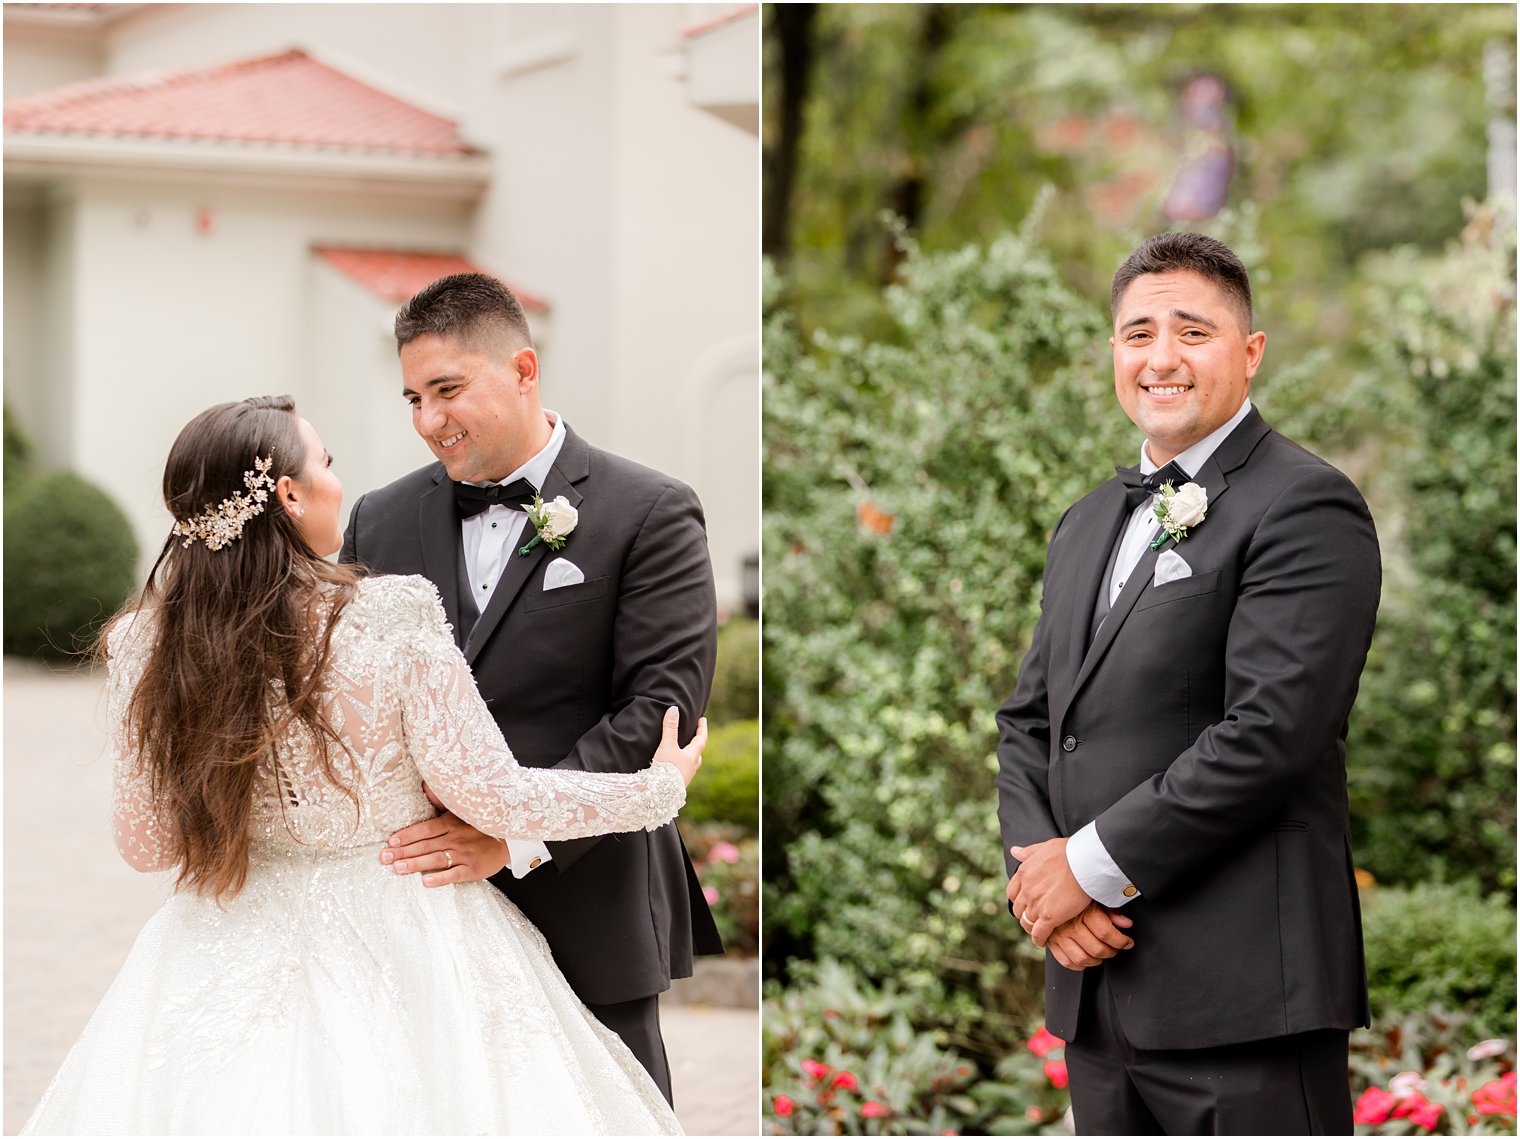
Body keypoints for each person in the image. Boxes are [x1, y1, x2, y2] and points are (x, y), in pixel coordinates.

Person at [23, 396, 705, 1135]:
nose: (336, 482)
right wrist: (656, 790)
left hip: (226, 939)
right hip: (404, 931)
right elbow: (501, 797)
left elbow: (145, 845)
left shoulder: (144, 643)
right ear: (288, 492)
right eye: (326, 462)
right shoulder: (390, 615)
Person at [996, 232, 1381, 1134]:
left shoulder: (1305, 504)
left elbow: (1273, 731)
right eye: (1137, 334)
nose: (1160, 357)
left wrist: (1088, 869)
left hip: (1245, 996)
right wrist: (1041, 885)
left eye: (1192, 332)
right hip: (1099, 995)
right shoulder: (1087, 520)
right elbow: (1031, 719)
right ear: (1113, 354)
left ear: (1249, 353)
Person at [340, 272, 722, 1102]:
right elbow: (344, 694)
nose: (429, 420)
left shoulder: (651, 511)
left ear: (522, 368)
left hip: (587, 896)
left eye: (448, 389)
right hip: (424, 910)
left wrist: (511, 837)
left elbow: (658, 715)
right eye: (412, 396)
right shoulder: (380, 517)